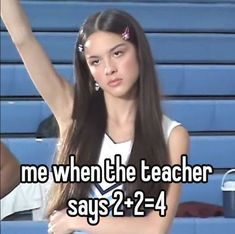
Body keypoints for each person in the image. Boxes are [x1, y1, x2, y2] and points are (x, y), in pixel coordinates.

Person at [1, 1, 189, 233]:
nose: (109, 68)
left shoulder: (172, 135)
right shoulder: (74, 113)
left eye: (118, 53)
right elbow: (22, 39)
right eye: (95, 61)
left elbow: (155, 226)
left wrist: (78, 219)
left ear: (139, 53)